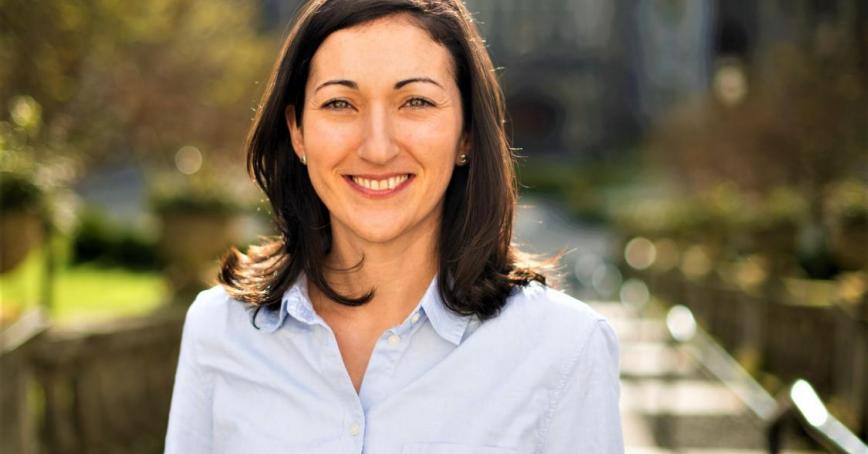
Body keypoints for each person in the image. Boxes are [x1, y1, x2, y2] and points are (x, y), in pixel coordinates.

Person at [164, 0, 623, 452]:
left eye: (416, 102)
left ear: (466, 133)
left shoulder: (566, 349)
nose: (378, 147)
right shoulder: (219, 331)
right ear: (297, 131)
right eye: (341, 103)